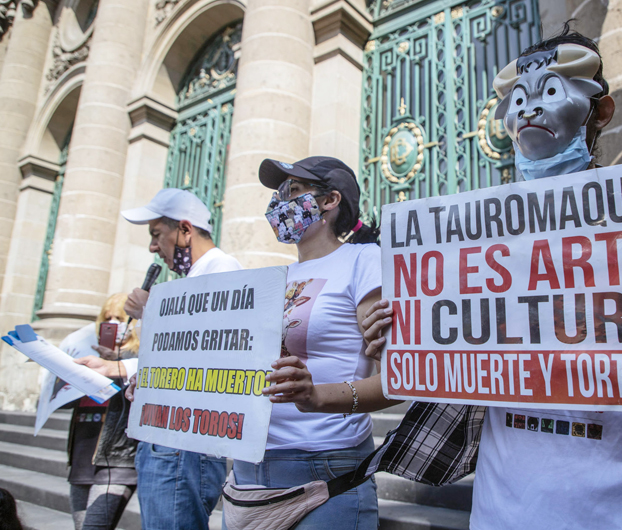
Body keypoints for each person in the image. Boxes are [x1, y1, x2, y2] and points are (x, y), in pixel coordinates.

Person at [266, 24, 622, 529]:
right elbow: (428, 367)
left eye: (551, 92)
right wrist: (402, 335)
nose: (528, 112)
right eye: (518, 99)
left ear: (599, 112)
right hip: (503, 509)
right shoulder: (467, 245)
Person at [221, 156, 385, 529]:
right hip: (250, 471)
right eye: (279, 192)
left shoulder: (363, 260)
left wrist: (316, 397)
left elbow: (398, 382)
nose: (280, 201)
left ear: (330, 201)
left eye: (293, 190)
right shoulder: (273, 278)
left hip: (325, 469)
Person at [103, 188, 241, 530]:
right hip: (168, 436)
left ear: (184, 229)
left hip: (183, 444)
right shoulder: (196, 275)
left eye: (156, 235)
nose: (153, 247)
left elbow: (208, 348)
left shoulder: (221, 268)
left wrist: (149, 311)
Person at [67, 293, 139, 530]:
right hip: (82, 454)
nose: (113, 324)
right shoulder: (89, 357)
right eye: (107, 318)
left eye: (119, 318)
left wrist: (117, 364)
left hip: (116, 458)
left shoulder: (138, 360)